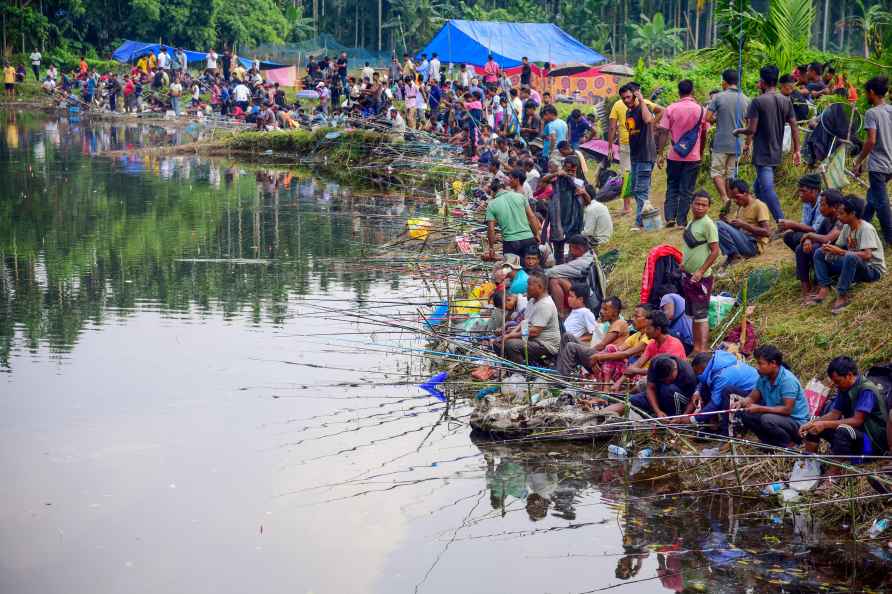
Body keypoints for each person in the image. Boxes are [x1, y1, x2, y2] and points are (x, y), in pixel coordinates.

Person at [734, 65, 801, 221]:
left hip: (763, 153)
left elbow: (751, 130)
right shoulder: (785, 100)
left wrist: (738, 131)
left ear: (762, 82)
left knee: (768, 189)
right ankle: (758, 218)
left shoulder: (757, 102)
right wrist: (797, 150)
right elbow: (794, 126)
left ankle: (781, 222)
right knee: (758, 187)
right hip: (776, 152)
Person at [801, 356, 889, 466]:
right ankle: (808, 463)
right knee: (815, 425)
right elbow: (834, 414)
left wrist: (824, 424)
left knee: (843, 430)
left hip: (870, 443)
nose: (836, 385)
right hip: (856, 435)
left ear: (849, 375)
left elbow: (857, 421)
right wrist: (811, 423)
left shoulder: (866, 390)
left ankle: (835, 472)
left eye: (838, 381)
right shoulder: (844, 388)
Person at [812, 195, 887, 314]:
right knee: (819, 252)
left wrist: (841, 252)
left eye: (841, 213)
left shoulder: (866, 229)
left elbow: (867, 255)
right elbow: (840, 246)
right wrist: (830, 249)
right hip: (854, 264)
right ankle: (824, 287)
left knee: (850, 256)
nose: (838, 216)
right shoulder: (847, 227)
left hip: (872, 270)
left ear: (852, 213)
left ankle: (842, 295)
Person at [736, 345, 810, 447]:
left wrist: (760, 408)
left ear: (773, 363)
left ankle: (788, 444)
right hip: (778, 417)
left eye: (761, 364)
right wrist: (742, 402)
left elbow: (787, 410)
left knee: (767, 419)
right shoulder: (764, 377)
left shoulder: (787, 381)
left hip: (795, 422)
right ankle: (769, 443)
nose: (757, 367)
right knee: (746, 414)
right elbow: (752, 397)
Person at [658, 79, 709, 227]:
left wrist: (660, 153)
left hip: (674, 155)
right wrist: (700, 150)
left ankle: (670, 218)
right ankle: (681, 221)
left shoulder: (671, 109)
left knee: (673, 185)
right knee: (687, 189)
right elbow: (704, 132)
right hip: (693, 156)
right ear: (692, 91)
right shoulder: (701, 110)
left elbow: (663, 132)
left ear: (678, 91)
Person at [853, 76, 892, 246]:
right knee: (873, 198)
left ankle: (890, 238)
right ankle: (860, 227)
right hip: (890, 162)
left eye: (866, 93)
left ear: (871, 92)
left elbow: (871, 141)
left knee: (882, 203)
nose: (865, 96)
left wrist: (858, 160)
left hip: (878, 166)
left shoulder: (871, 113)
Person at [684, 350, 759, 435]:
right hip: (741, 389)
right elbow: (704, 381)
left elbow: (715, 403)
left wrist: (692, 419)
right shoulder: (716, 364)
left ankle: (728, 433)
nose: (697, 376)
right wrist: (697, 392)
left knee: (727, 392)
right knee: (705, 387)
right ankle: (713, 425)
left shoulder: (723, 375)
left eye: (697, 373)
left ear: (703, 368)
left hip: (753, 394)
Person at [681, 191, 720, 352]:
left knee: (701, 315)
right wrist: (684, 264)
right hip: (689, 276)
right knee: (694, 315)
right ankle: (696, 347)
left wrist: (700, 270)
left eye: (704, 205)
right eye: (697, 204)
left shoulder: (708, 224)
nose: (699, 207)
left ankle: (702, 349)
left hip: (700, 278)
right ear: (692, 204)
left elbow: (715, 251)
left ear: (709, 208)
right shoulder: (691, 222)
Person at [620, 83, 662, 230]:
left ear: (635, 95)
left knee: (641, 189)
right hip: (635, 155)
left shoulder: (642, 108)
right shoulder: (628, 112)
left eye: (628, 97)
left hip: (645, 154)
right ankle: (647, 220)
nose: (626, 100)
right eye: (623, 98)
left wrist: (642, 100)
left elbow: (648, 120)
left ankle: (639, 223)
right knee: (636, 189)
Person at [556, 294, 628, 380]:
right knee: (567, 336)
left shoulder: (620, 323)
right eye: (601, 308)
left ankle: (562, 379)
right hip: (601, 354)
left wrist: (587, 352)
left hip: (607, 359)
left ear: (615, 312)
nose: (601, 311)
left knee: (571, 346)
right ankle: (559, 370)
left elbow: (601, 345)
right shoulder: (610, 324)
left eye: (605, 309)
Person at [605, 354, 698, 419]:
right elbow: (650, 388)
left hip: (677, 403)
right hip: (659, 395)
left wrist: (683, 417)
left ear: (675, 369)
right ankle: (596, 415)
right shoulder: (656, 363)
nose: (666, 381)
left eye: (668, 379)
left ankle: (671, 419)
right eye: (663, 380)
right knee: (630, 401)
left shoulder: (688, 375)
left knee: (669, 389)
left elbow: (692, 401)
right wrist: (657, 411)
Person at [792, 190, 844, 303]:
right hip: (825, 256)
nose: (820, 208)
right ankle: (806, 289)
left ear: (834, 206)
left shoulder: (841, 221)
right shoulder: (826, 220)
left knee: (816, 249)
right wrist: (808, 240)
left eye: (823, 204)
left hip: (838, 258)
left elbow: (827, 238)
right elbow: (817, 235)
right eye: (820, 204)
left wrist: (809, 235)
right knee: (800, 249)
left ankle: (821, 285)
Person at [707, 69, 750, 205]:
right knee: (731, 173)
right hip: (738, 143)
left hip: (721, 142)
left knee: (716, 172)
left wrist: (718, 118)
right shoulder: (746, 99)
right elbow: (750, 126)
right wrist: (748, 144)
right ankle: (732, 199)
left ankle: (725, 198)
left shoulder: (718, 97)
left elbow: (707, 118)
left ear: (724, 82)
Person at [501, 271, 561, 364]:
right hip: (534, 339)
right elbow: (524, 322)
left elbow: (534, 332)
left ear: (539, 287)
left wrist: (510, 336)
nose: (526, 287)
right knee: (504, 335)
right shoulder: (532, 300)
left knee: (511, 344)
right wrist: (510, 333)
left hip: (545, 345)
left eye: (529, 285)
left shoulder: (545, 305)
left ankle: (520, 373)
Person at [618, 311, 687, 387]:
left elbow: (663, 371)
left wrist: (636, 370)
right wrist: (618, 383)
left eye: (648, 328)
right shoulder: (652, 344)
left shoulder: (674, 344)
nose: (645, 331)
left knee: (644, 382)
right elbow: (638, 363)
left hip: (675, 384)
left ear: (658, 329)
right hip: (661, 380)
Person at [484, 169, 542, 259]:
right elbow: (532, 217)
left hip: (511, 242)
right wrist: (537, 234)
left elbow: (491, 229)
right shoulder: (520, 197)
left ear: (493, 192)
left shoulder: (492, 204)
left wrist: (491, 248)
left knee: (512, 270)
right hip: (528, 238)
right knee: (530, 268)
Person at [540, 156, 588, 264]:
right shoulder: (557, 179)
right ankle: (560, 268)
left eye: (573, 171)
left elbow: (588, 201)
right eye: (568, 170)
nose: (570, 173)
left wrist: (583, 193)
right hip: (558, 221)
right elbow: (543, 180)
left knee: (574, 249)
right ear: (563, 168)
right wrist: (557, 173)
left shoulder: (579, 183)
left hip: (574, 222)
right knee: (558, 251)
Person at [717, 179, 771, 265]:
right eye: (733, 198)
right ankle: (732, 255)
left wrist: (744, 225)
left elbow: (767, 232)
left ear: (746, 193)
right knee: (718, 224)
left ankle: (734, 256)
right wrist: (727, 223)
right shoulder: (741, 207)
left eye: (737, 197)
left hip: (754, 246)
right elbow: (739, 228)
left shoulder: (759, 205)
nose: (735, 200)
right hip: (744, 241)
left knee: (718, 224)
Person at [545, 234, 595, 317]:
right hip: (586, 293)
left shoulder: (582, 262)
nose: (569, 251)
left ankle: (561, 314)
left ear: (579, 248)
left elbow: (551, 272)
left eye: (570, 247)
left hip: (589, 299)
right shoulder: (590, 254)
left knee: (554, 280)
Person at [779, 174, 826, 253]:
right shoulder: (807, 202)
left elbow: (816, 229)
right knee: (788, 236)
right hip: (811, 234)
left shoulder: (823, 203)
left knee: (798, 237)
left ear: (815, 191)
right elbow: (804, 224)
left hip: (822, 236)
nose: (800, 195)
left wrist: (793, 225)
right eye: (800, 191)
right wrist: (791, 227)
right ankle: (805, 257)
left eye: (803, 191)